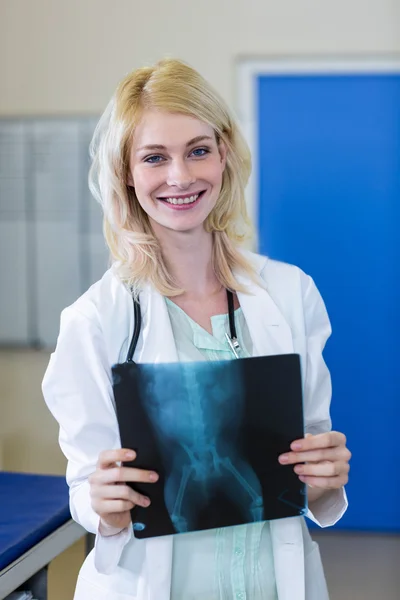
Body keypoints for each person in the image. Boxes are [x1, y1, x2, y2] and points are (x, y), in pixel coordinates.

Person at [42, 58, 351, 600]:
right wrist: (103, 503)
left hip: (273, 584)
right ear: (126, 173)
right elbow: (86, 494)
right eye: (155, 157)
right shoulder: (95, 320)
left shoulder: (290, 292)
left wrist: (326, 478)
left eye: (198, 150)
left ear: (224, 155)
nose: (180, 177)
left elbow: (312, 461)